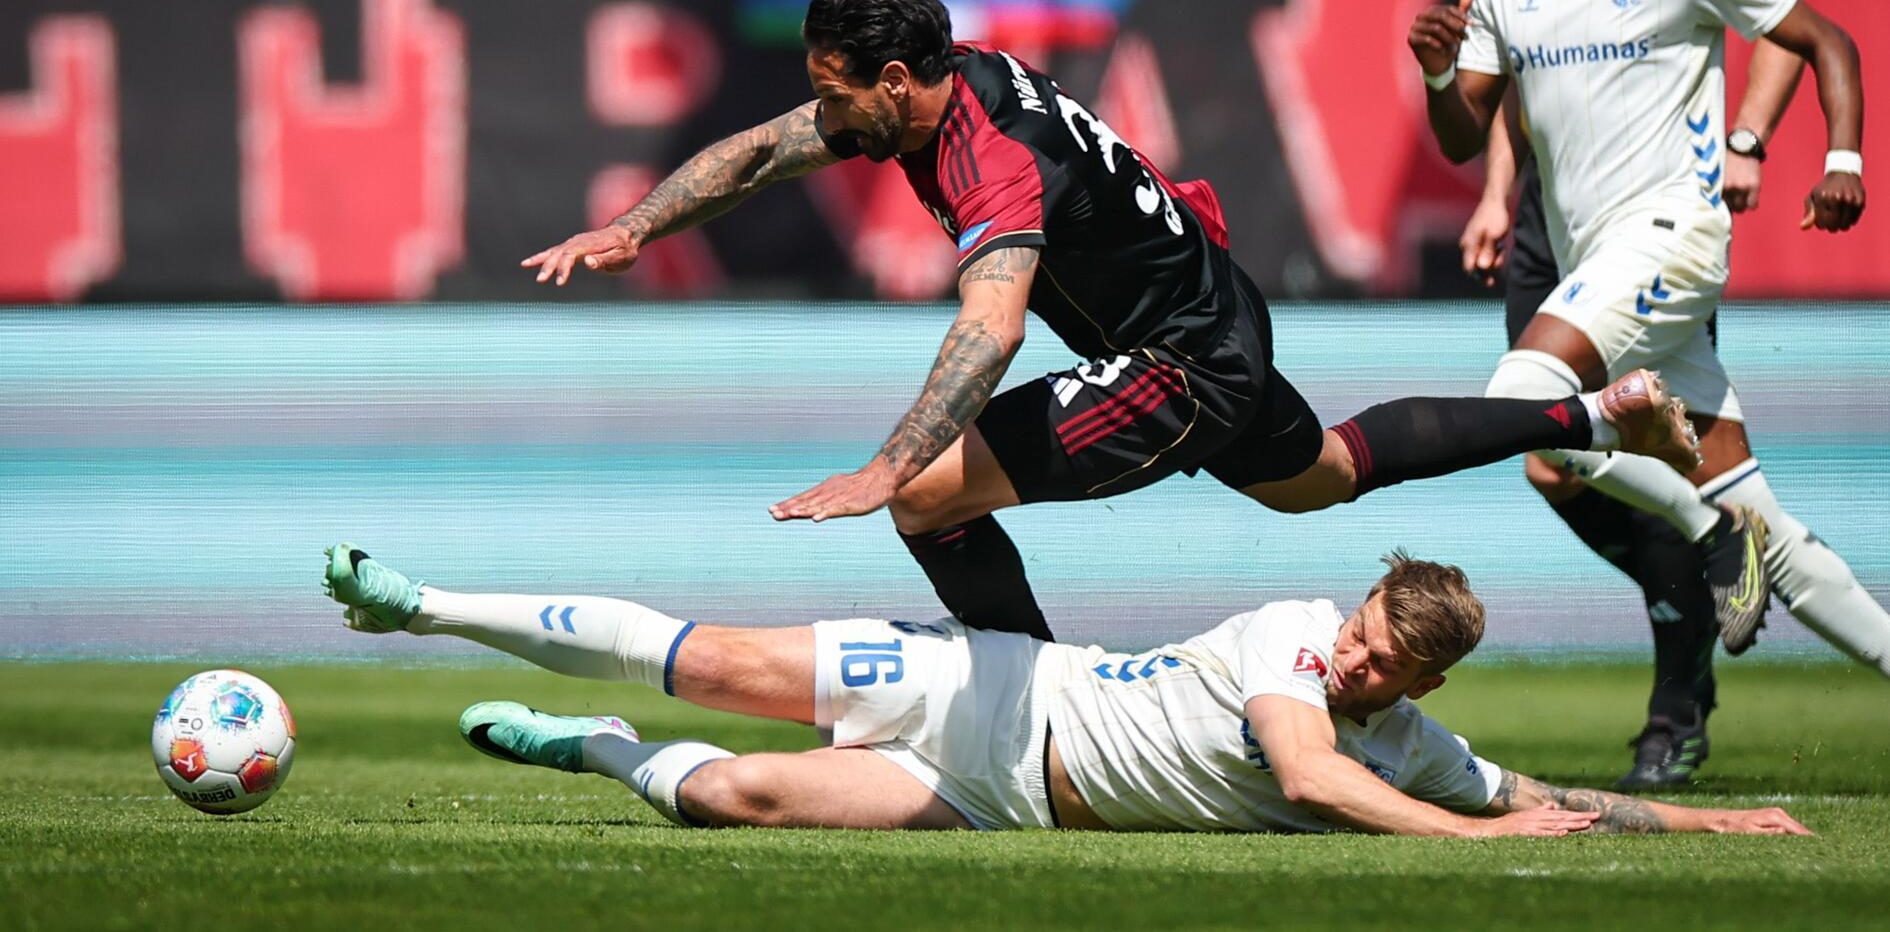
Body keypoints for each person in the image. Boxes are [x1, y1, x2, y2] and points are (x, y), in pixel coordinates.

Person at [525, 0, 1699, 649]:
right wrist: (637, 226)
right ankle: (1598, 418)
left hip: (1182, 359)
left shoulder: (994, 160)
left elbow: (989, 329)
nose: (822, 114)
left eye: (837, 93)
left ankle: (1029, 725)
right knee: (1327, 475)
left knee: (931, 495)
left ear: (894, 83)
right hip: (1215, 312)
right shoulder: (944, 79)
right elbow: (755, 155)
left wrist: (888, 465)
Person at [1410, 0, 1885, 784]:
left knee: (1521, 405)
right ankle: (1732, 529)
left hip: (1673, 237)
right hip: (1601, 266)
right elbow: (1466, 137)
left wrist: (1842, 159)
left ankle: (1710, 530)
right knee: (1770, 531)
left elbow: (1825, 40)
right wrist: (1444, 80)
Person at [322, 541, 1811, 837]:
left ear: (1420, 677)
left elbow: (1534, 792)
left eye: (1385, 662)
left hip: (985, 797)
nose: (1359, 658)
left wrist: (1701, 829)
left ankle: (590, 749)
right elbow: (1307, 779)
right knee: (716, 658)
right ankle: (426, 606)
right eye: (1363, 634)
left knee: (728, 793)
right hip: (983, 683)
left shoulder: (1410, 743)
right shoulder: (1288, 635)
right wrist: (1481, 843)